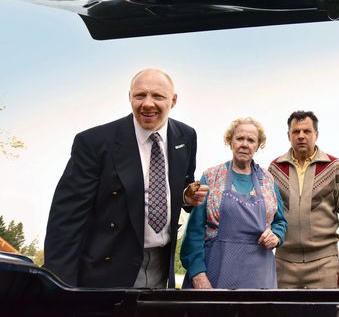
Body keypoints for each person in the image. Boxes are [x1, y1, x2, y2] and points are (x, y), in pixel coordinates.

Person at [44, 69, 207, 288]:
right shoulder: (94, 142)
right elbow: (66, 221)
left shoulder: (186, 136)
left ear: (173, 100)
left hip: (161, 268)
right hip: (107, 269)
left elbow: (181, 183)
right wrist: (59, 289)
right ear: (130, 97)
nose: (147, 103)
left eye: (157, 96)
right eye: (140, 95)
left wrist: (186, 198)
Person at [180, 118, 287, 289]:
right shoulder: (211, 177)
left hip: (259, 277)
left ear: (258, 146)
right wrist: (198, 274)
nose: (244, 144)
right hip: (215, 273)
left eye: (251, 140)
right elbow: (194, 231)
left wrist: (276, 235)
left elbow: (280, 221)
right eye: (239, 138)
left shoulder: (268, 181)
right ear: (230, 141)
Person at [269, 111, 339, 288]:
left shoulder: (333, 167)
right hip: (283, 264)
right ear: (288, 136)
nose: (301, 136)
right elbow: (267, 214)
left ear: (316, 134)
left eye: (307, 131)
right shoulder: (275, 169)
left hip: (325, 264)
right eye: (296, 131)